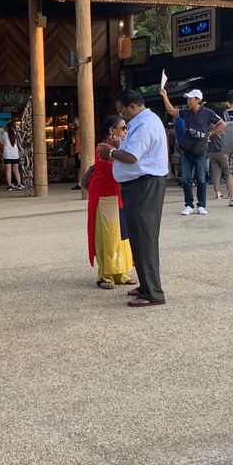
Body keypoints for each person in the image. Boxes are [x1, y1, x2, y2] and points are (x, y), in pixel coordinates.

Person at [98, 89, 168, 307]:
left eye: (122, 112)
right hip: (139, 184)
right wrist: (117, 148)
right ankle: (146, 285)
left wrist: (111, 152)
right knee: (138, 236)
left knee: (144, 237)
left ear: (133, 107)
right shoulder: (143, 122)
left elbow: (131, 157)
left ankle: (153, 292)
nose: (122, 117)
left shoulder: (145, 124)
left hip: (144, 184)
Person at [87, 115, 137, 290]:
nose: (125, 131)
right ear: (111, 130)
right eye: (122, 128)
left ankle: (121, 272)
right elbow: (114, 168)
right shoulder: (102, 148)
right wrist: (118, 151)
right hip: (104, 197)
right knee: (106, 237)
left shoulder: (120, 149)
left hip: (118, 197)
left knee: (121, 236)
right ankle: (105, 275)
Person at [159, 85, 222, 216]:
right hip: (187, 149)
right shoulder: (186, 112)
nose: (188, 101)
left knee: (201, 179)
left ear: (198, 100)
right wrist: (164, 96)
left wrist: (209, 133)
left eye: (190, 98)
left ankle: (201, 205)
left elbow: (222, 124)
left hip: (200, 149)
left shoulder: (207, 112)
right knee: (186, 179)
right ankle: (189, 204)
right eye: (187, 98)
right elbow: (171, 111)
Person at [1, 120, 22, 190]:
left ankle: (9, 185)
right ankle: (19, 184)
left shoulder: (4, 134)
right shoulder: (15, 133)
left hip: (7, 154)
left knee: (8, 170)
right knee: (16, 170)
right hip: (15, 154)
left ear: (7, 128)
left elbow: (2, 143)